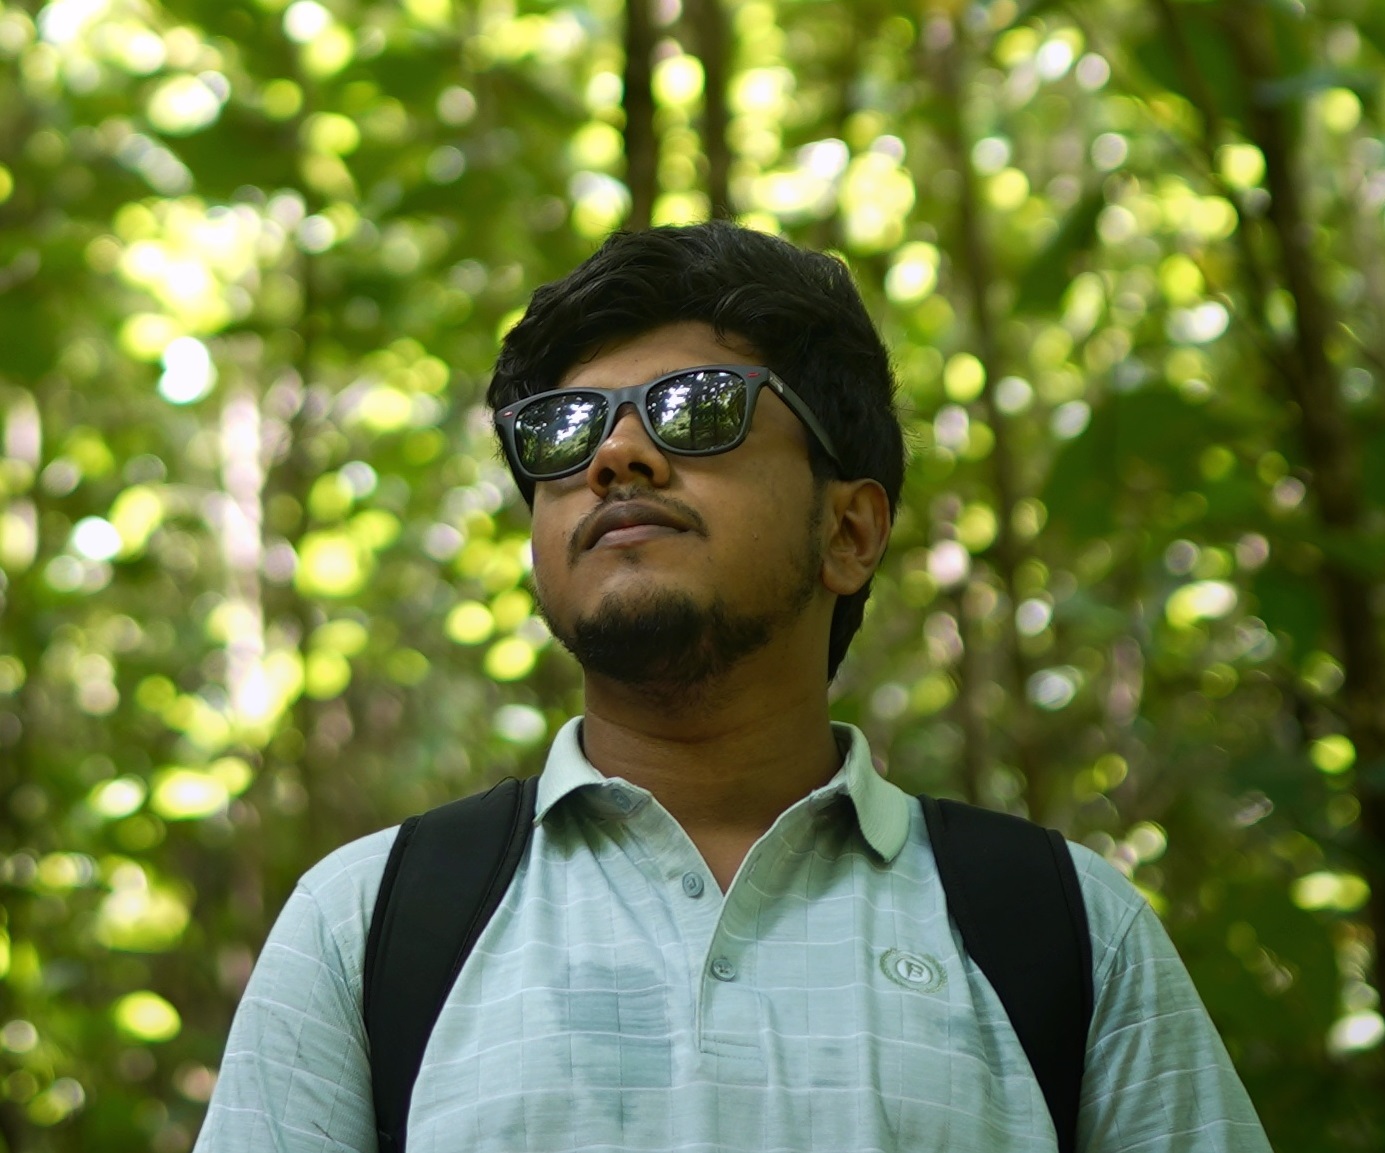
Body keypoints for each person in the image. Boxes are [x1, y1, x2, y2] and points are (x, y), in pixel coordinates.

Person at [193, 222, 1271, 1152]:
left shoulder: (1064, 926)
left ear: (848, 532)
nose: (614, 456)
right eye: (563, 431)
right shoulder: (366, 922)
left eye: (697, 408)